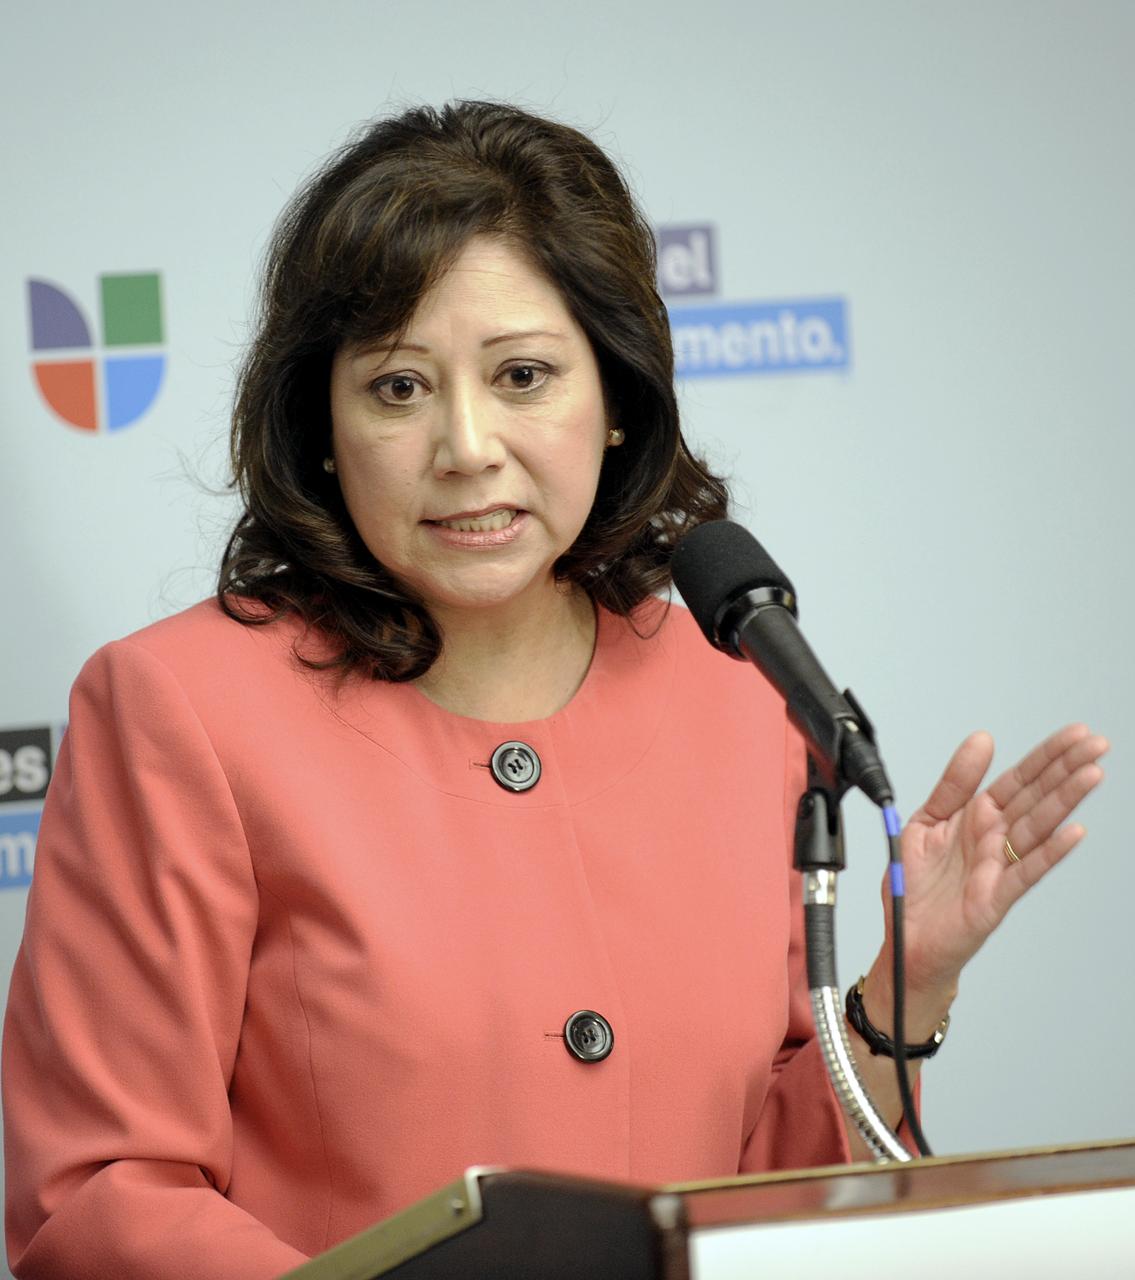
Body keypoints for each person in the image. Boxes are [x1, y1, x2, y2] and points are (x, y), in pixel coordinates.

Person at [3, 101, 1106, 1279]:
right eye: (397, 388)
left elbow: (764, 1198)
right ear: (321, 424)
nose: (467, 444)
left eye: (523, 374)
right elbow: (101, 1194)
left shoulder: (738, 701)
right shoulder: (181, 706)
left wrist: (907, 979)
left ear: (616, 393)